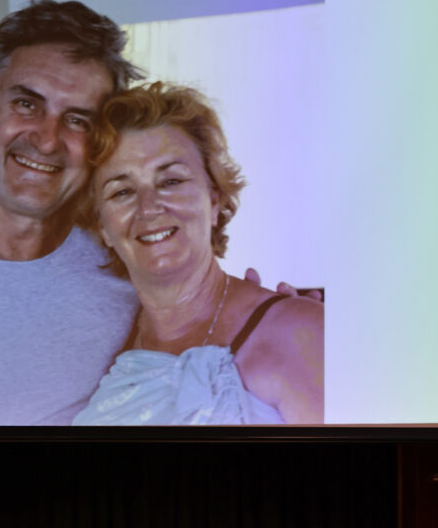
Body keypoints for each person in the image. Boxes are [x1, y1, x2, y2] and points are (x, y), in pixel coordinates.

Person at [0, 0, 306, 427]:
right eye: (26, 104)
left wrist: (288, 324)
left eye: (78, 119)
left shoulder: (124, 256)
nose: (46, 139)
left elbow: (207, 339)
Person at [72, 83, 324, 426]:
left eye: (171, 181)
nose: (149, 208)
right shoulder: (105, 343)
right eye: (123, 191)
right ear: (102, 226)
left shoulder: (302, 332)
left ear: (215, 199)